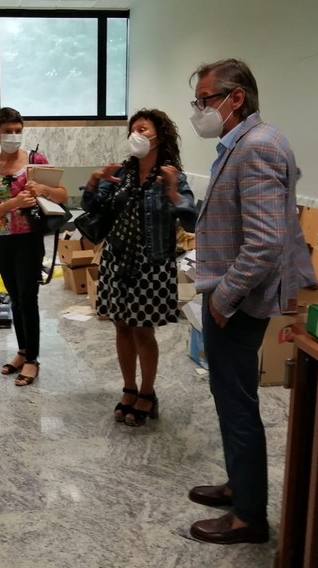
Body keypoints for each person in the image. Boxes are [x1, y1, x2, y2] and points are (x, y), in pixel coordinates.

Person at [186, 59, 315, 544]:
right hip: (231, 291)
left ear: (235, 98)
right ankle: (240, 485)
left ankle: (248, 517)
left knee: (237, 402)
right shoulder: (245, 142)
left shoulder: (257, 146)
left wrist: (223, 298)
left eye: (204, 100)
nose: (199, 110)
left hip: (239, 299)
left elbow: (264, 242)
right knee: (229, 396)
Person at [82, 109, 198, 426]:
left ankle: (147, 393)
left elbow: (192, 221)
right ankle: (129, 389)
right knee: (121, 326)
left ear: (159, 136)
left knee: (143, 331)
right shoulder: (121, 173)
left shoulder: (172, 176)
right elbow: (90, 208)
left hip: (151, 264)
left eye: (143, 128)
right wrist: (94, 182)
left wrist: (172, 192)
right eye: (133, 129)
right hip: (116, 260)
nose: (136, 134)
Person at [0, 107, 68, 386]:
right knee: (15, 297)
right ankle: (22, 351)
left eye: (18, 131)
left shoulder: (35, 161)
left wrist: (44, 189)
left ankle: (32, 359)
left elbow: (62, 194)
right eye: (7, 131)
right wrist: (13, 203)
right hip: (2, 239)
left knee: (28, 297)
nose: (13, 136)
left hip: (29, 238)